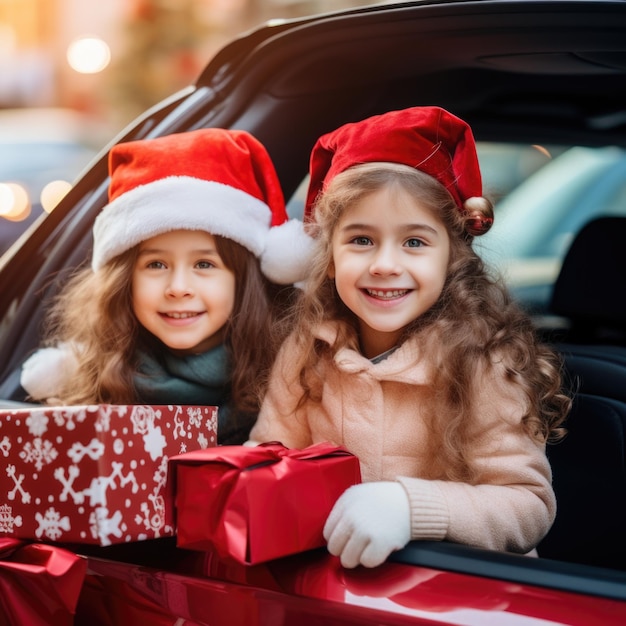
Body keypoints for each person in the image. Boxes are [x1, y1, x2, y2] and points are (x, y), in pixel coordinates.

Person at [247, 106, 571, 567]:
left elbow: (527, 507)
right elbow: (271, 453)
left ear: (451, 257)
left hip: (465, 597)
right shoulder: (308, 348)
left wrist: (410, 508)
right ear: (331, 255)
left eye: (414, 242)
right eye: (361, 240)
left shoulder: (484, 360)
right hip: (329, 587)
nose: (384, 264)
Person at [20, 128, 312, 445]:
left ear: (243, 279)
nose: (178, 287)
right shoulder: (95, 376)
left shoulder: (294, 378)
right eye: (156, 265)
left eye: (204, 264)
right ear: (125, 280)